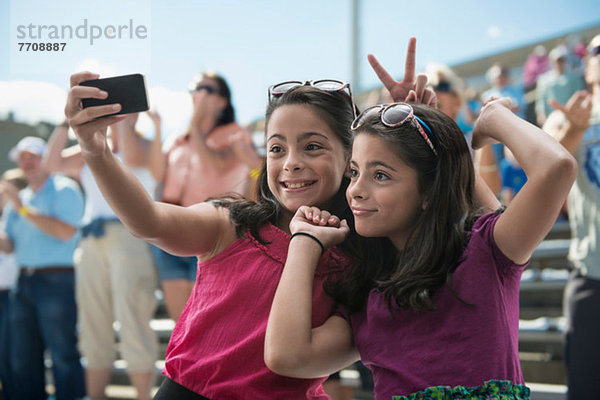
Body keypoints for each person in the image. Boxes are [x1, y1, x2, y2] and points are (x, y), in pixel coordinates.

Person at [64, 35, 458, 399]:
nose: (291, 163)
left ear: (350, 158)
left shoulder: (367, 264)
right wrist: (94, 148)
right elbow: (148, 220)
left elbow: (452, 224)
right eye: (276, 148)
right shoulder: (233, 223)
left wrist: (419, 136)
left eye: (313, 146)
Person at [265, 95, 577, 399]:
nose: (356, 190)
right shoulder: (367, 298)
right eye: (355, 172)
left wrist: (496, 117)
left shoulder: (485, 252)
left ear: (429, 191)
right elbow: (287, 356)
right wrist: (303, 243)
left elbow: (557, 166)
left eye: (381, 176)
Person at [43, 118, 160, 400]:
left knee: (133, 317)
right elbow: (51, 165)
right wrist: (67, 121)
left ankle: (143, 396)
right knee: (93, 322)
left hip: (130, 235)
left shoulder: (143, 146)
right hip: (92, 239)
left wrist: (117, 121)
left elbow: (129, 157)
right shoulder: (91, 150)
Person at [150, 72, 262, 321]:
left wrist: (196, 123)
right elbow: (158, 173)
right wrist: (158, 129)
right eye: (194, 88)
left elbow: (214, 166)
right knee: (180, 321)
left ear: (223, 101)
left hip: (212, 231)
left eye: (207, 89)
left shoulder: (235, 134)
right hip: (172, 228)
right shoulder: (178, 139)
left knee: (208, 320)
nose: (198, 93)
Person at [0, 136, 86, 400]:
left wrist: (22, 208)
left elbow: (64, 232)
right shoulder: (21, 198)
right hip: (22, 284)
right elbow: (9, 246)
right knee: (23, 360)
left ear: (45, 158)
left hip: (56, 281)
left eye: (32, 156)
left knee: (63, 355)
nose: (26, 163)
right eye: (22, 158)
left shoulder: (64, 189)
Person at [542, 33, 599, 400]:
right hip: (592, 275)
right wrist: (576, 130)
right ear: (587, 64)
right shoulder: (568, 116)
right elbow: (545, 171)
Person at [0, 168, 26, 400]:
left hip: (13, 291)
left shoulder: (22, 211)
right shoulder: (7, 213)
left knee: (13, 356)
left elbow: (9, 247)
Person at [535, 44, 585, 126]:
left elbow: (579, 96)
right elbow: (541, 99)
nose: (559, 63)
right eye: (557, 61)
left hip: (570, 117)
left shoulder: (574, 77)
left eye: (561, 60)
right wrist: (541, 113)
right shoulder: (544, 80)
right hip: (552, 118)